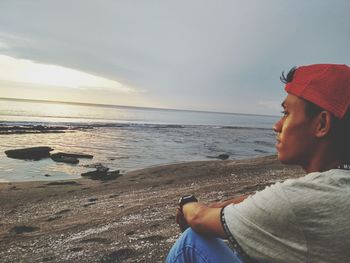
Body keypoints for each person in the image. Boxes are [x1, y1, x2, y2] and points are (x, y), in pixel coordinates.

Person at [166, 64, 350, 263]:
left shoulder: (298, 201)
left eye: (286, 113)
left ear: (321, 124)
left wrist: (187, 203)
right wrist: (216, 206)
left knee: (191, 242)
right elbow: (261, 201)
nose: (276, 126)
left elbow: (198, 219)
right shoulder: (336, 186)